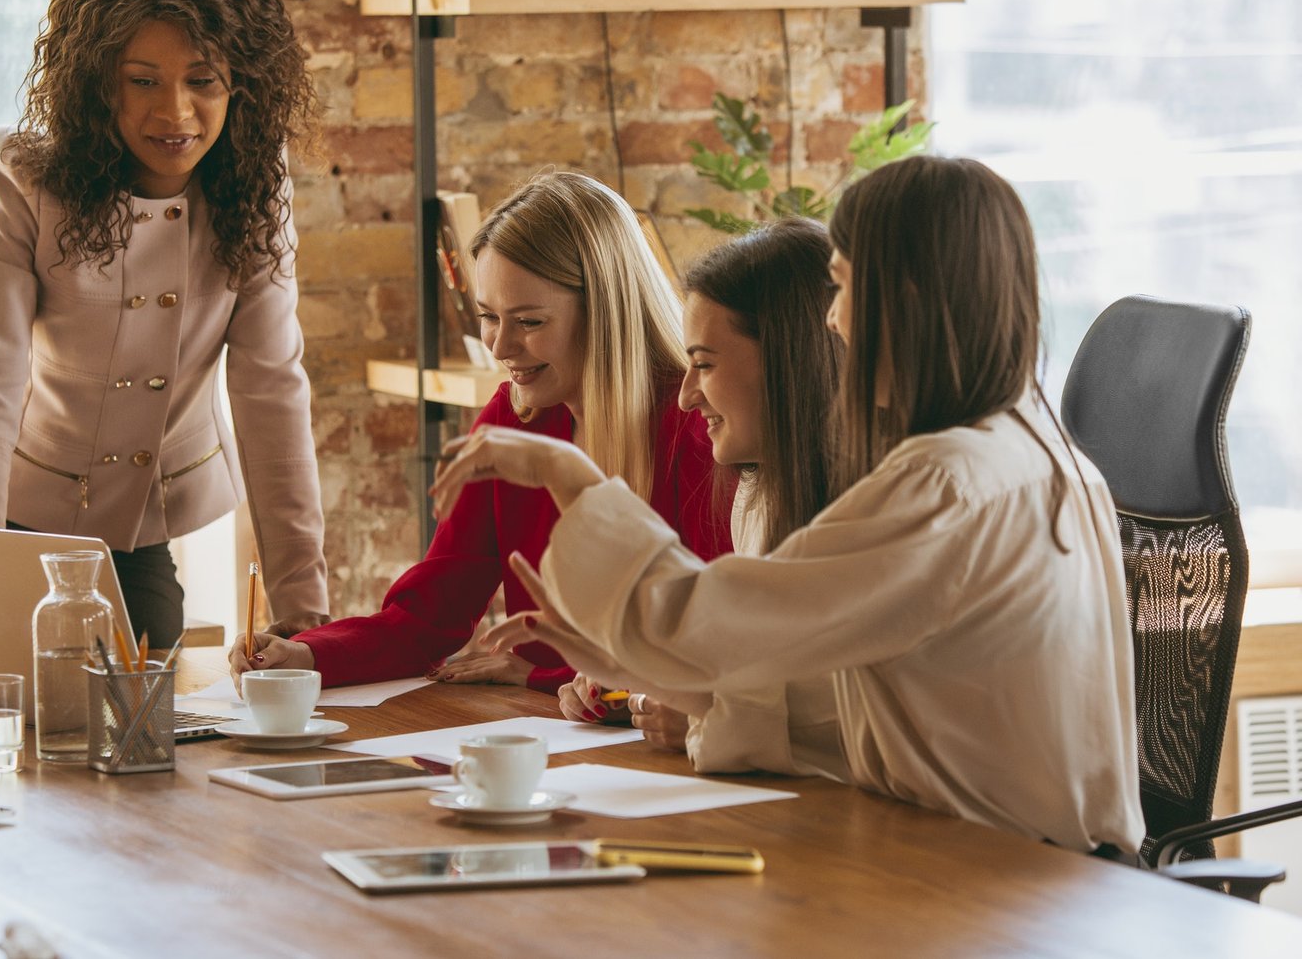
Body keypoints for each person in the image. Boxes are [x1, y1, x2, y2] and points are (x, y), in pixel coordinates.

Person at [437, 156, 1146, 853]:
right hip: (1014, 863)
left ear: (900, 298)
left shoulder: (945, 485)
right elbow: (845, 701)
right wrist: (643, 677)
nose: (831, 321)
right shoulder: (1024, 446)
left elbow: (705, 626)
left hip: (998, 879)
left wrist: (571, 478)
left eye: (841, 287)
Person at [0, 0, 329, 670]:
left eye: (203, 80)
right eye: (143, 79)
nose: (176, 113)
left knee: (144, 768)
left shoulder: (259, 189)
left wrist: (306, 613)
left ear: (241, 83)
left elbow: (270, 392)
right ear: (99, 79)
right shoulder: (22, 177)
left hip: (133, 539)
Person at [235, 170, 731, 694]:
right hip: (551, 738)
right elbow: (430, 617)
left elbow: (705, 640)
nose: (499, 347)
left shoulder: (696, 427)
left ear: (606, 312)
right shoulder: (510, 419)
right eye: (489, 316)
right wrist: (308, 652)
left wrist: (545, 675)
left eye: (530, 322)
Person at [557, 220, 844, 768]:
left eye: (705, 365)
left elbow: (839, 716)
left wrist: (701, 708)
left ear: (790, 359)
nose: (687, 397)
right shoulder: (755, 493)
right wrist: (647, 686)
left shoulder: (881, 508)